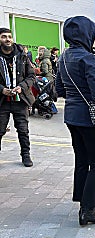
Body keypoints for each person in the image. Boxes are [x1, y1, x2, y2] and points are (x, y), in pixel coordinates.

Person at [55, 16, 95, 226]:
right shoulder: (88, 59)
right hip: (90, 119)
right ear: (86, 34)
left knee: (82, 161)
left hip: (72, 116)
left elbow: (59, 89)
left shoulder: (63, 58)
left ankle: (84, 201)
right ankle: (88, 211)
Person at [0, 27, 35, 167]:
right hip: (2, 101)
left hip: (20, 100)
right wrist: (2, 90)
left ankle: (26, 156)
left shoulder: (22, 55)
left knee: (23, 130)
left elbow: (31, 76)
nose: (7, 39)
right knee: (0, 130)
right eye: (3, 37)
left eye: (9, 36)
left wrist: (22, 87)